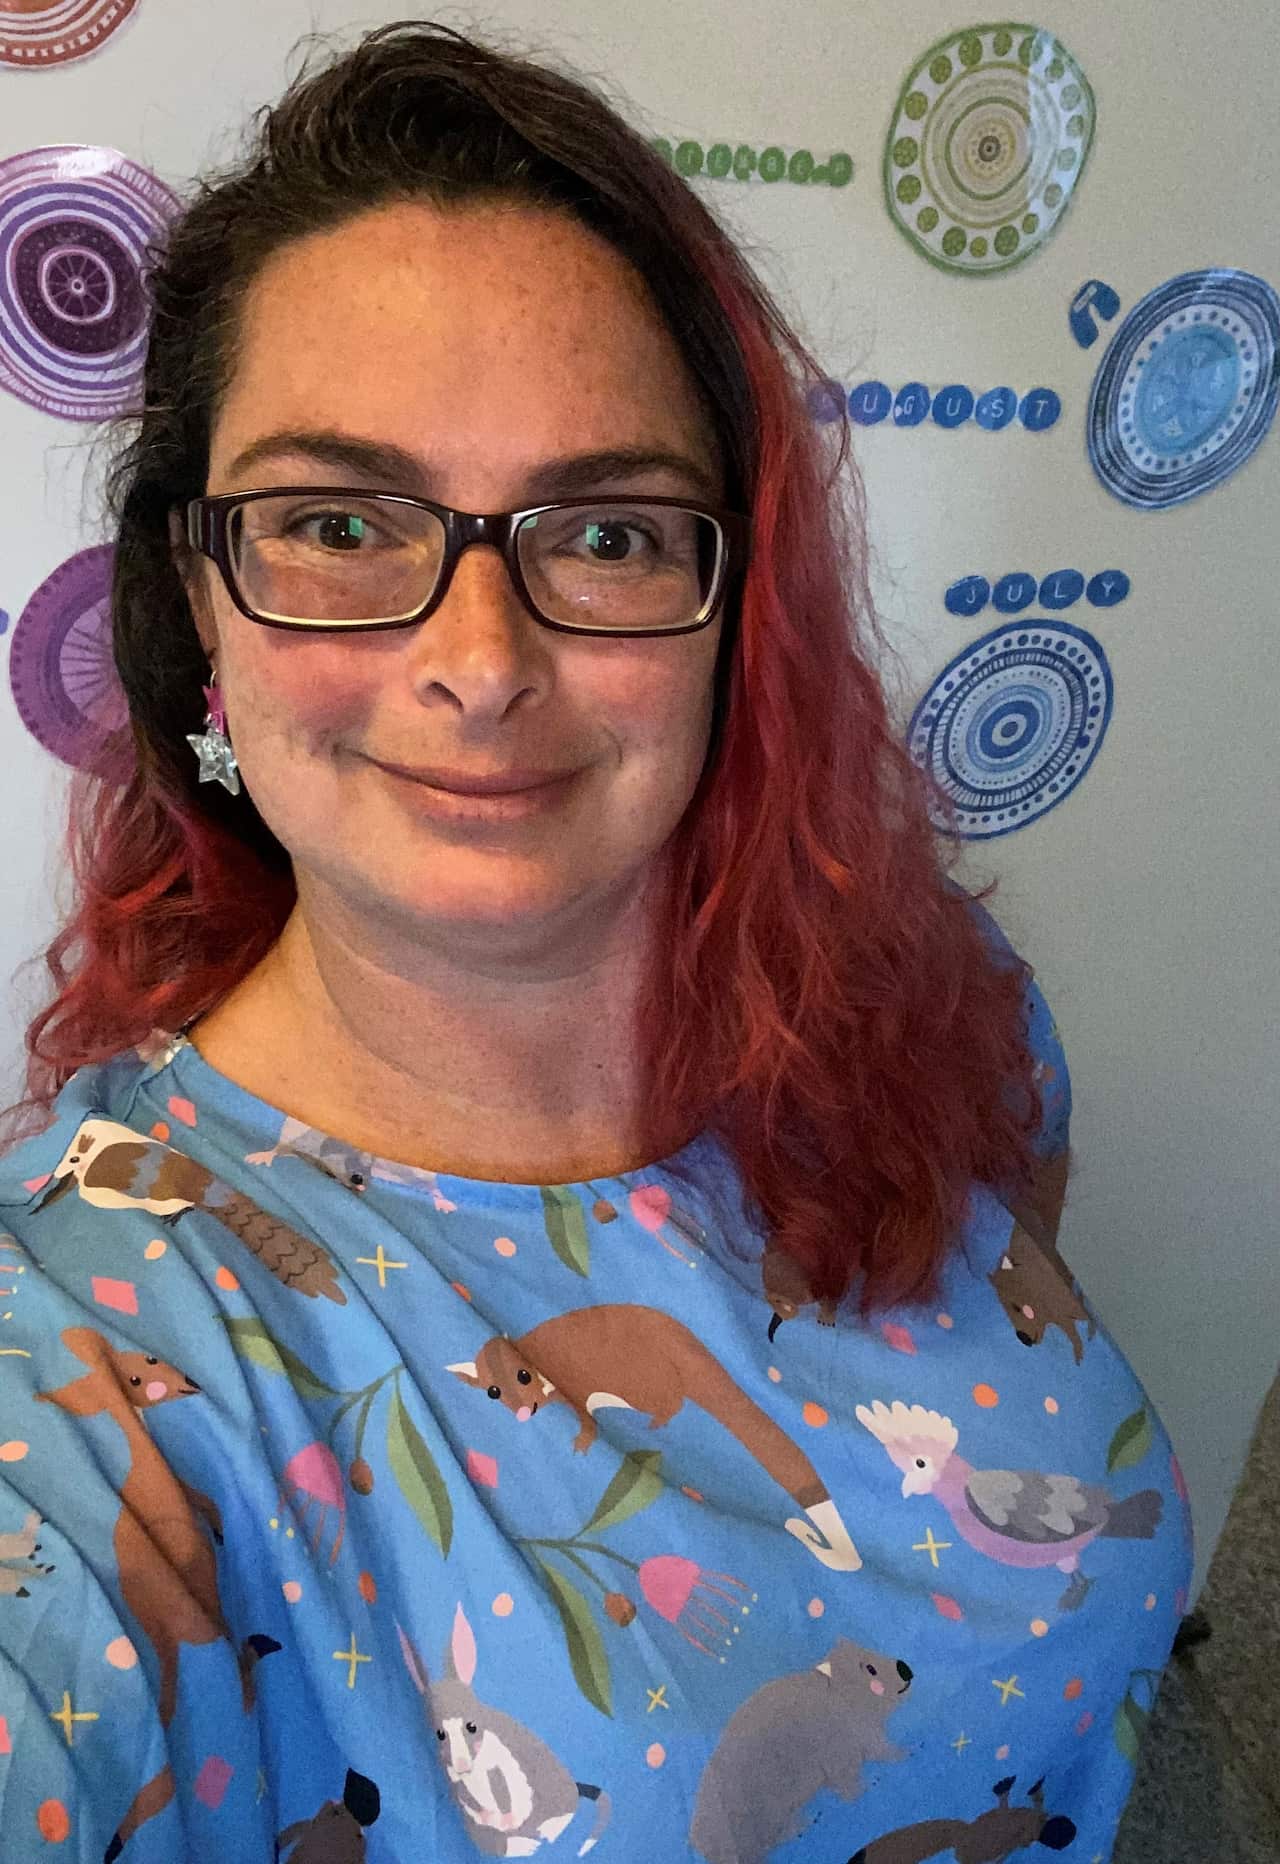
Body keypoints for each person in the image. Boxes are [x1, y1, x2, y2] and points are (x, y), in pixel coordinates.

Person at [0, 20, 1192, 1863]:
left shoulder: (946, 1011)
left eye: (611, 535)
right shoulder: (93, 1353)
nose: (480, 662)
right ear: (196, 605)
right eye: (335, 521)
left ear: (735, 607)